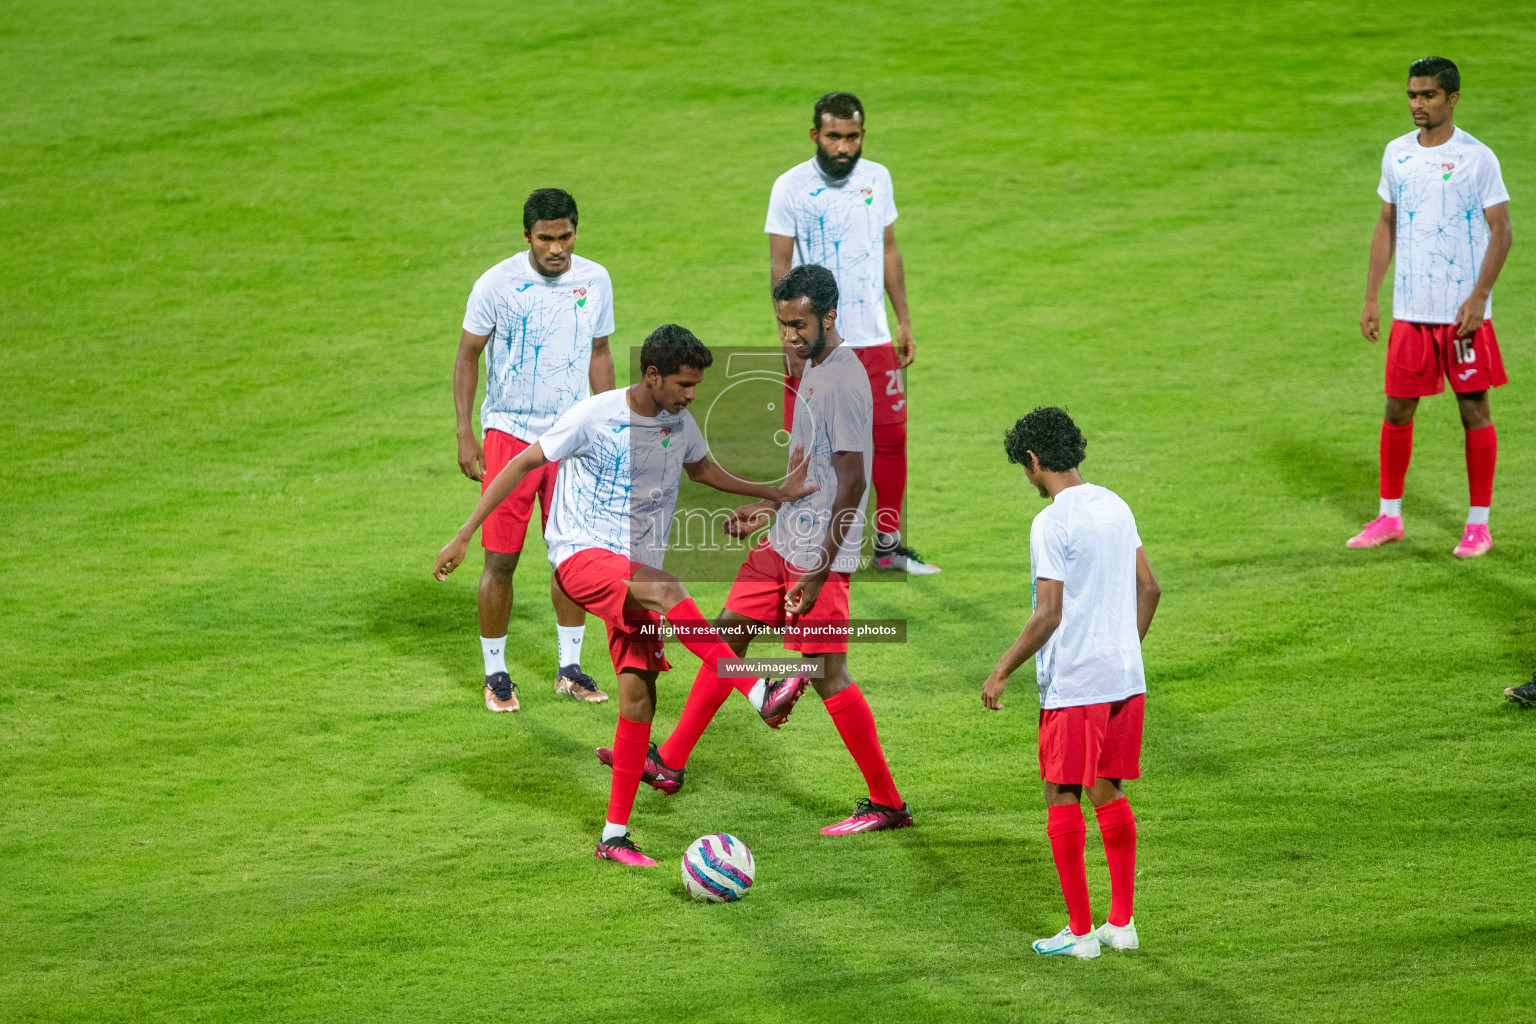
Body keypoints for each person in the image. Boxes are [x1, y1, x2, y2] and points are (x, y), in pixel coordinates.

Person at [434, 326, 815, 865]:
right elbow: (520, 464)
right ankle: (756, 691)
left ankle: (613, 836)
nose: (692, 394)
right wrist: (465, 534)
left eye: (697, 385)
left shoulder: (679, 420)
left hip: (635, 569)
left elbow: (703, 469)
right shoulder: (594, 415)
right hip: (581, 557)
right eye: (684, 383)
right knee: (665, 589)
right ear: (652, 375)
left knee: (639, 694)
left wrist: (771, 492)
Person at [605, 265, 914, 836]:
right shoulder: (812, 368)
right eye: (780, 324)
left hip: (817, 553)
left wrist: (819, 574)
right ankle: (669, 761)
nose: (788, 336)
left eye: (798, 325)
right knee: (726, 634)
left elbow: (852, 483)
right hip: (783, 538)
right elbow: (811, 465)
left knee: (827, 673)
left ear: (829, 317)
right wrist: (770, 507)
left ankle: (887, 802)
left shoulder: (845, 381)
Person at [982, 407, 1161, 960]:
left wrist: (1002, 669)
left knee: (1061, 793)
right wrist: (1122, 650)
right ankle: (1122, 924)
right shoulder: (1115, 504)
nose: (1028, 479)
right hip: (1126, 679)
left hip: (1077, 684)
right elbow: (1150, 589)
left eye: (1025, 468)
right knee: (1108, 790)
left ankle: (1081, 935)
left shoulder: (1051, 522)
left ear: (1034, 460)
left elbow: (1049, 614)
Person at [454, 188, 617, 713]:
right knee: (501, 559)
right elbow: (468, 356)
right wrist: (465, 431)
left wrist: (610, 425)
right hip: (509, 435)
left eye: (565, 237)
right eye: (545, 238)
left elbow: (601, 353)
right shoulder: (495, 285)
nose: (556, 249)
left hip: (571, 439)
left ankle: (569, 668)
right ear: (527, 236)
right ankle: (496, 674)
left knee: (573, 557)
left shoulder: (594, 280)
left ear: (575, 232)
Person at [766, 91, 939, 575]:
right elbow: (780, 266)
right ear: (815, 136)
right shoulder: (790, 187)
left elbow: (888, 248)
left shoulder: (877, 178)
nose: (843, 147)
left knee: (890, 439)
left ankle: (887, 545)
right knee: (807, 444)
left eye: (852, 137)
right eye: (833, 137)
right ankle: (800, 545)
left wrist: (903, 319)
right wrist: (791, 337)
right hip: (818, 343)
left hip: (873, 338)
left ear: (862, 134)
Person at [1352, 56, 1512, 558]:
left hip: (1462, 315)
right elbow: (1386, 223)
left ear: (1452, 99)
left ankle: (1478, 525)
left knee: (1474, 410)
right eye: (1412, 95)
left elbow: (1502, 231)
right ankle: (1389, 517)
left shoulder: (1477, 158)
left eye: (1427, 96)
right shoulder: (1396, 154)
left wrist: (1479, 297)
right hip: (1411, 313)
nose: (1417, 105)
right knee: (1397, 410)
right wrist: (1373, 295)